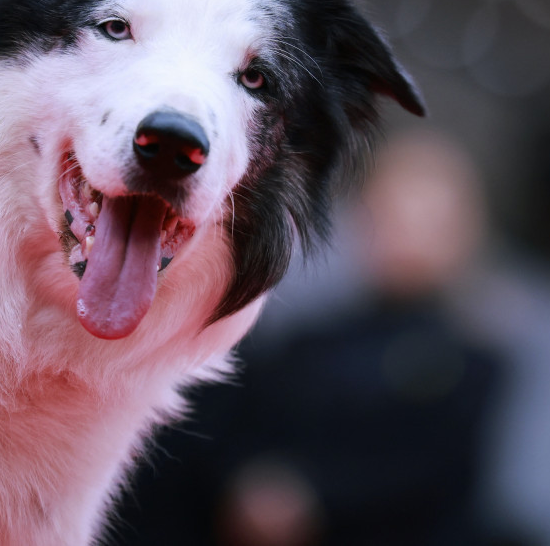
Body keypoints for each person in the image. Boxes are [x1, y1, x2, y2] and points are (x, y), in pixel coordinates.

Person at [115, 130, 511, 546]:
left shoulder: (472, 363)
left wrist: (314, 499)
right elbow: (241, 427)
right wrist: (248, 481)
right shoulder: (311, 340)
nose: (404, 234)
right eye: (391, 213)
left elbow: (429, 473)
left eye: (427, 220)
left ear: (464, 232)